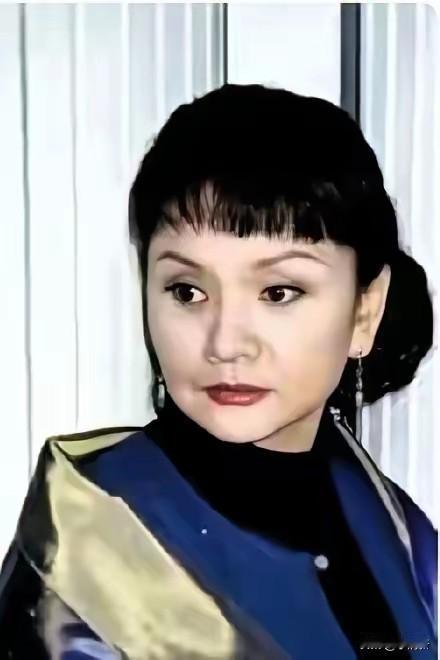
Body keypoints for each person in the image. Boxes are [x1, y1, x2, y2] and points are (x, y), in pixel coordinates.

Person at [0, 83, 437, 659]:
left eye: (279, 292)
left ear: (364, 311)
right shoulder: (82, 548)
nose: (226, 343)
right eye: (187, 291)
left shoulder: (404, 536)